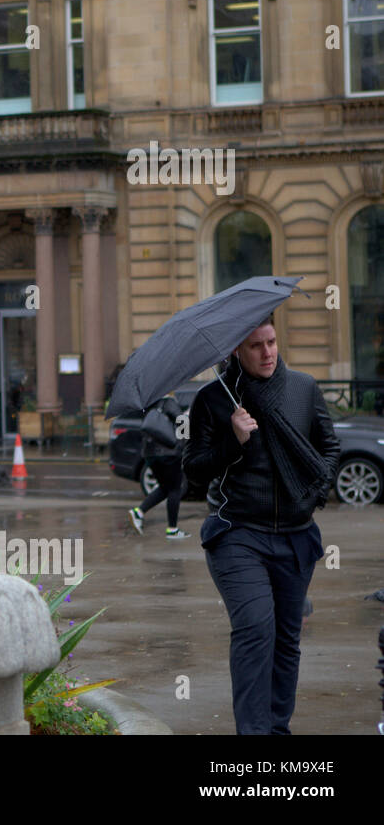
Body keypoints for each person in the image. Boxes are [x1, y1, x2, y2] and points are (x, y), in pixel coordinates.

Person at [183, 313, 339, 735]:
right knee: (256, 628)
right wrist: (231, 442)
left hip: (295, 535)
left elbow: (328, 446)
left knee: (287, 640)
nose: (267, 352)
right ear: (237, 349)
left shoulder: (303, 388)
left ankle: (276, 729)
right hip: (237, 534)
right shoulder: (214, 400)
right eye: (256, 346)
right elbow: (194, 472)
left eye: (271, 342)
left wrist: (313, 491)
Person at [128, 393, 189, 538]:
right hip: (168, 453)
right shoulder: (168, 402)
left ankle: (138, 512)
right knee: (175, 489)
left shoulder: (149, 404)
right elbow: (182, 421)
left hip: (149, 454)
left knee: (164, 487)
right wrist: (183, 445)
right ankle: (172, 530)